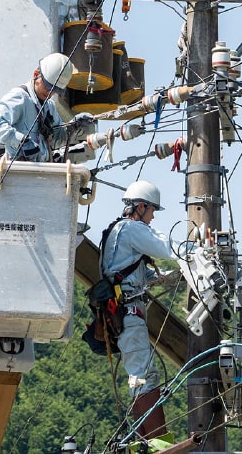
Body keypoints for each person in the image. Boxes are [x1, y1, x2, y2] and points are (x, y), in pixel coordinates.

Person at [99, 180, 179, 440]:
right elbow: (163, 246)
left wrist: (175, 276)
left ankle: (143, 440)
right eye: (153, 210)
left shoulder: (117, 233)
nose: (153, 217)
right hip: (129, 313)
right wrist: (196, 252)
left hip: (124, 313)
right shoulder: (131, 229)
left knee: (139, 377)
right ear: (141, 206)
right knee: (145, 376)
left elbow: (141, 276)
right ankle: (159, 441)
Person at [0, 52, 74, 162]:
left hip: (43, 171)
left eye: (55, 90)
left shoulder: (49, 107)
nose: (50, 93)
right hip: (19, 170)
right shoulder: (20, 97)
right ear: (36, 74)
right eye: (48, 86)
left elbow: (57, 140)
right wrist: (22, 141)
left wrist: (74, 126)